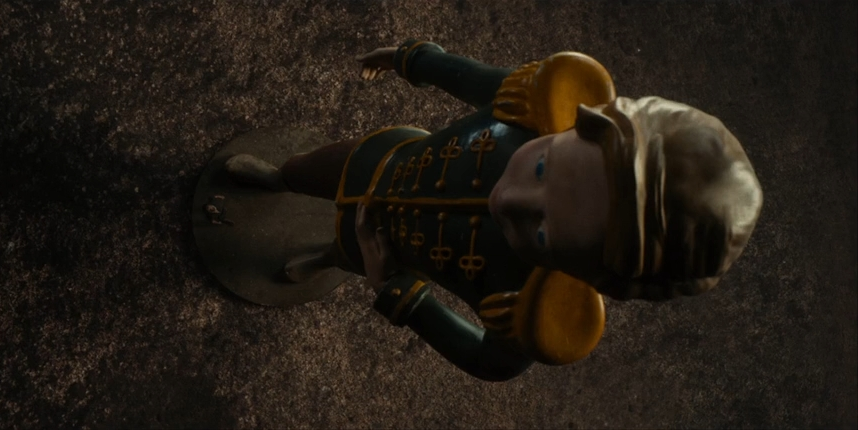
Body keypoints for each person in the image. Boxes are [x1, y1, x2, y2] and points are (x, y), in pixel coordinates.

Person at [224, 40, 763, 381]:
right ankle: (279, 177)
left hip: (393, 247)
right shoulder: (529, 107)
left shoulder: (530, 303)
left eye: (544, 235)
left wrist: (391, 285)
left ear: (586, 275)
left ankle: (322, 258)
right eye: (543, 168)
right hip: (387, 159)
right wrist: (410, 59)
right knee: (312, 168)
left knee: (345, 250)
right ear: (580, 121)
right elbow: (467, 75)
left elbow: (490, 361)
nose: (506, 200)